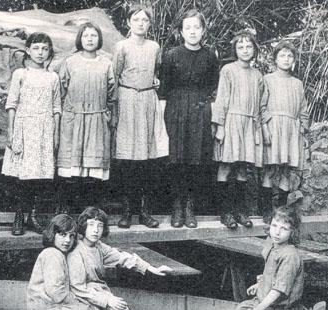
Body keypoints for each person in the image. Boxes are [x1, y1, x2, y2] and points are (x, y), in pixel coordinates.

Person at [159, 9, 219, 228]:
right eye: (188, 27)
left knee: (196, 161)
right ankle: (176, 206)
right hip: (175, 111)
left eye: (197, 27)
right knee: (177, 160)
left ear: (203, 30)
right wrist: (163, 119)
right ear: (181, 31)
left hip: (199, 111)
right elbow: (163, 90)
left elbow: (214, 88)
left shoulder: (210, 56)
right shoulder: (171, 55)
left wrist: (207, 112)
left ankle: (190, 207)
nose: (192, 32)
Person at [68, 207, 172, 310]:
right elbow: (78, 288)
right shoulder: (76, 252)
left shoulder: (98, 247)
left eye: (100, 226)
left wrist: (151, 268)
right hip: (81, 296)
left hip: (96, 292)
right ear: (84, 226)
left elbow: (123, 258)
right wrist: (108, 300)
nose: (96, 230)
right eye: (91, 225)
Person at [2, 32, 61, 235]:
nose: (40, 53)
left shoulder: (53, 77)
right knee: (21, 175)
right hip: (24, 127)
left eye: (45, 49)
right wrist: (11, 132)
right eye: (36, 48)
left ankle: (32, 217)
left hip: (44, 128)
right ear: (28, 50)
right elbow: (11, 104)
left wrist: (55, 134)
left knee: (39, 175)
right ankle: (19, 216)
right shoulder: (21, 74)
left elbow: (56, 108)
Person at [56, 22, 116, 213]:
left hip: (97, 120)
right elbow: (61, 90)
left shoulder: (106, 63)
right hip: (73, 120)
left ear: (99, 39)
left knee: (94, 167)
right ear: (80, 39)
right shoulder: (70, 62)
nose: (90, 39)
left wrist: (107, 114)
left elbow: (112, 94)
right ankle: (67, 211)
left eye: (94, 36)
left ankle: (90, 212)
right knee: (72, 168)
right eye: (86, 36)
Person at [112, 5, 162, 229]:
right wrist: (114, 108)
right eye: (136, 19)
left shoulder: (154, 47)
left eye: (145, 20)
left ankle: (144, 212)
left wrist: (154, 82)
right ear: (129, 23)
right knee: (127, 160)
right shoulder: (121, 46)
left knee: (146, 161)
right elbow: (114, 77)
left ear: (150, 24)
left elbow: (156, 72)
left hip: (147, 101)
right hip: (127, 99)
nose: (140, 23)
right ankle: (126, 212)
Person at [221, 205, 306, 310]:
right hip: (263, 302)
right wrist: (260, 285)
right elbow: (272, 274)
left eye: (284, 229)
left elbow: (279, 290)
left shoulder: (289, 256)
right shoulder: (273, 244)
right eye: (274, 225)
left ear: (292, 232)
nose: (277, 232)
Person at [212, 30, 265, 230]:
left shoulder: (258, 75)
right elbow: (222, 99)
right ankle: (225, 213)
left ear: (255, 50)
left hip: (249, 125)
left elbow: (260, 105)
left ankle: (240, 212)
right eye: (240, 47)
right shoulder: (228, 70)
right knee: (226, 166)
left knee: (243, 168)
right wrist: (220, 126)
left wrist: (258, 130)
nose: (245, 50)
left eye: (249, 46)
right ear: (235, 49)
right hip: (231, 121)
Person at [24, 214, 105, 310]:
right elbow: (56, 293)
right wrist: (79, 303)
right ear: (53, 234)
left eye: (71, 236)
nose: (67, 240)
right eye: (62, 235)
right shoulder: (52, 254)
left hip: (54, 308)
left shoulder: (59, 254)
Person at [259, 41, 310, 222]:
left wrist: (303, 130)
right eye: (282, 55)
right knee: (270, 170)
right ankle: (265, 210)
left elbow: (303, 110)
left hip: (291, 130)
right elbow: (262, 106)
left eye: (289, 56)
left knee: (287, 171)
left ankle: (280, 210)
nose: (286, 59)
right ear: (275, 59)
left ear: (294, 60)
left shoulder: (297, 83)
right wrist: (265, 127)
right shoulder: (267, 79)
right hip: (274, 128)